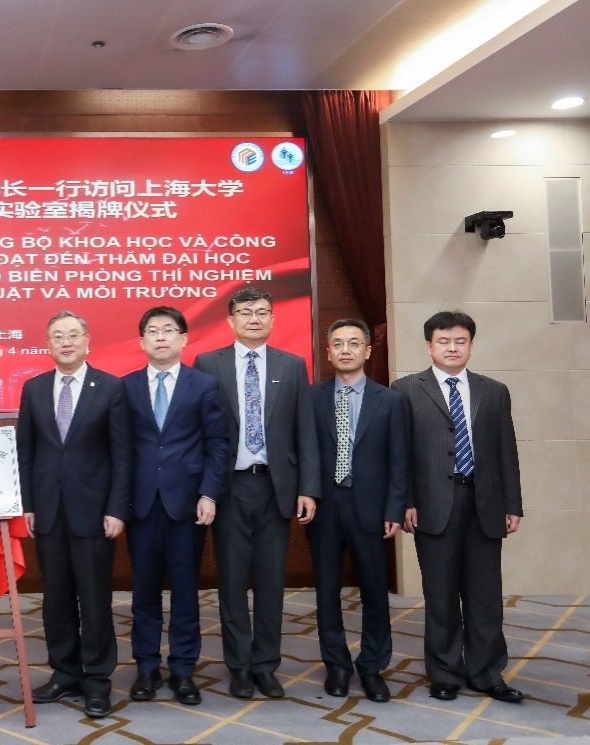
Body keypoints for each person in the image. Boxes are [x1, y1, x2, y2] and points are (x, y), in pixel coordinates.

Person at [392, 311, 523, 703]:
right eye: (444, 341)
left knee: (485, 595)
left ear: (470, 345)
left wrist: (512, 503)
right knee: (441, 594)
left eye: (460, 341)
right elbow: (399, 453)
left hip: (485, 503)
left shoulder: (494, 391)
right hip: (432, 504)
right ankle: (445, 672)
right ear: (429, 346)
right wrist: (405, 502)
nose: (452, 348)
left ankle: (487, 673)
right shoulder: (405, 389)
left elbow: (506, 450)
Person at [194, 287, 319, 699]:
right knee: (231, 581)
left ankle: (266, 665)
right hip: (229, 488)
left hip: (275, 487)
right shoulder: (208, 364)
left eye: (262, 312)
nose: (254, 319)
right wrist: (205, 490)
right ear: (230, 320)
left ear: (272, 319)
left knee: (270, 582)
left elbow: (304, 431)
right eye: (245, 312)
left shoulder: (292, 365)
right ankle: (239, 666)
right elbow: (200, 432)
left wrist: (308, 487)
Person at [16, 310, 131, 719]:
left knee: (95, 598)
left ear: (87, 341)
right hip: (48, 511)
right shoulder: (33, 388)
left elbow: (122, 454)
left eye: (72, 335)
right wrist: (28, 505)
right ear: (48, 344)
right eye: (57, 336)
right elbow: (25, 452)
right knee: (57, 597)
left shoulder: (111, 388)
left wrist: (117, 508)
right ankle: (64, 672)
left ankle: (97, 679)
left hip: (95, 513)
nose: (65, 342)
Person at [121, 306, 227, 705]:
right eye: (153, 331)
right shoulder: (126, 386)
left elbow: (217, 444)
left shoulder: (204, 385)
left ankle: (183, 670)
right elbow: (120, 450)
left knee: (185, 592)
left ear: (184, 338)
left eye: (169, 330)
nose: (161, 336)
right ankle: (146, 667)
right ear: (142, 341)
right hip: (142, 505)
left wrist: (209, 493)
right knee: (143, 593)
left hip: (188, 505)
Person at [308, 319, 409, 702]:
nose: (346, 350)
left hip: (371, 507)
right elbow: (304, 452)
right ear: (328, 351)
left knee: (374, 591)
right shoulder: (312, 398)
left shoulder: (390, 401)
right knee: (326, 591)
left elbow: (399, 460)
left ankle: (372, 666)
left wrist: (395, 508)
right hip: (325, 507)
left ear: (368, 351)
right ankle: (336, 664)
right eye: (338, 343)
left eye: (354, 343)